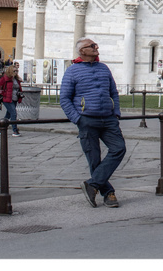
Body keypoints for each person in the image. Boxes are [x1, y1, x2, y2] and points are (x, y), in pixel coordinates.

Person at [60, 38, 126, 208]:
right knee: (94, 158)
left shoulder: (104, 68)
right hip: (87, 120)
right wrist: (78, 119)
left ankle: (93, 184)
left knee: (119, 148)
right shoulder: (72, 71)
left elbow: (114, 92)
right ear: (82, 51)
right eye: (92, 46)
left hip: (108, 119)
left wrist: (116, 112)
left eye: (96, 45)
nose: (96, 48)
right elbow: (64, 99)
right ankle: (108, 193)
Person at [0, 64, 23, 135]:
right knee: (13, 113)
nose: (16, 72)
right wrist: (4, 94)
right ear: (10, 71)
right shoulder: (5, 78)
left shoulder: (16, 79)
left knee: (9, 114)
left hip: (15, 98)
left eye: (17, 70)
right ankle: (15, 130)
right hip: (7, 99)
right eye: (14, 70)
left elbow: (18, 88)